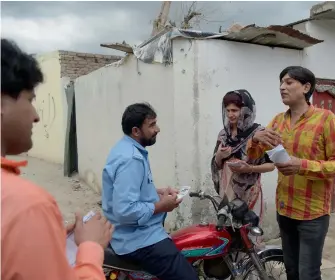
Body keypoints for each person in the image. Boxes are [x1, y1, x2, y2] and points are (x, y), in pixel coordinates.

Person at [1, 39, 114, 280]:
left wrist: (46, 237)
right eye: (30, 100)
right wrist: (91, 248)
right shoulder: (27, 204)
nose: (36, 116)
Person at [246, 66, 335, 280]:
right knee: (292, 270)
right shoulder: (277, 121)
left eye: (289, 82)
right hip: (285, 209)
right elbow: (255, 155)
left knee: (308, 274)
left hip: (313, 214)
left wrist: (301, 165)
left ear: (306, 87)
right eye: (281, 83)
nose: (282, 87)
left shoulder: (325, 119)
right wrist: (255, 140)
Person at [102, 103, 198, 280]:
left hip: (134, 234)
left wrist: (158, 192)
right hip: (137, 240)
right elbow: (125, 210)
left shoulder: (126, 148)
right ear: (136, 131)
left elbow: (129, 189)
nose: (158, 129)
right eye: (152, 125)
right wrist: (161, 206)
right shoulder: (131, 159)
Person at [211, 90, 275, 226]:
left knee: (249, 231)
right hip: (227, 191)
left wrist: (249, 168)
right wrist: (219, 156)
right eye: (227, 110)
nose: (230, 115)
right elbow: (216, 165)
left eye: (234, 110)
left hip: (249, 191)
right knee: (228, 227)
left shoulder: (259, 134)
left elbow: (271, 166)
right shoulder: (223, 135)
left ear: (246, 110)